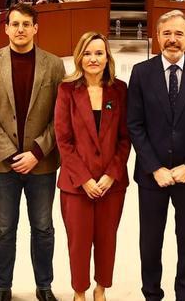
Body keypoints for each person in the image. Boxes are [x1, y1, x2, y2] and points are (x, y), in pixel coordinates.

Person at [127, 10, 185, 301]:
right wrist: (154, 167)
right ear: (157, 36)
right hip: (152, 175)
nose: (172, 39)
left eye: (179, 33)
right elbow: (135, 124)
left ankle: (184, 294)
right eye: (166, 33)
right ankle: (151, 293)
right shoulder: (141, 73)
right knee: (150, 241)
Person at [0, 4, 63, 301]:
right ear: (6, 28)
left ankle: (44, 286)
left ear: (36, 28)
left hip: (41, 162)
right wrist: (11, 154)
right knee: (3, 229)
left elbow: (59, 115)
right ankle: (2, 287)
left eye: (26, 24)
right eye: (15, 24)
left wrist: (37, 151)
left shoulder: (53, 65)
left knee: (43, 228)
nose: (21, 29)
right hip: (2, 165)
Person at [55, 33, 130, 301]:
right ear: (79, 57)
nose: (93, 59)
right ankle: (79, 292)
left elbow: (125, 138)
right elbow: (63, 141)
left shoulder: (119, 90)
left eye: (99, 53)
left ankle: (101, 289)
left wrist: (111, 174)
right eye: (87, 53)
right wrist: (85, 179)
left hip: (112, 184)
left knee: (107, 239)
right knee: (79, 243)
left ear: (107, 57)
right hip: (76, 184)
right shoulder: (67, 90)